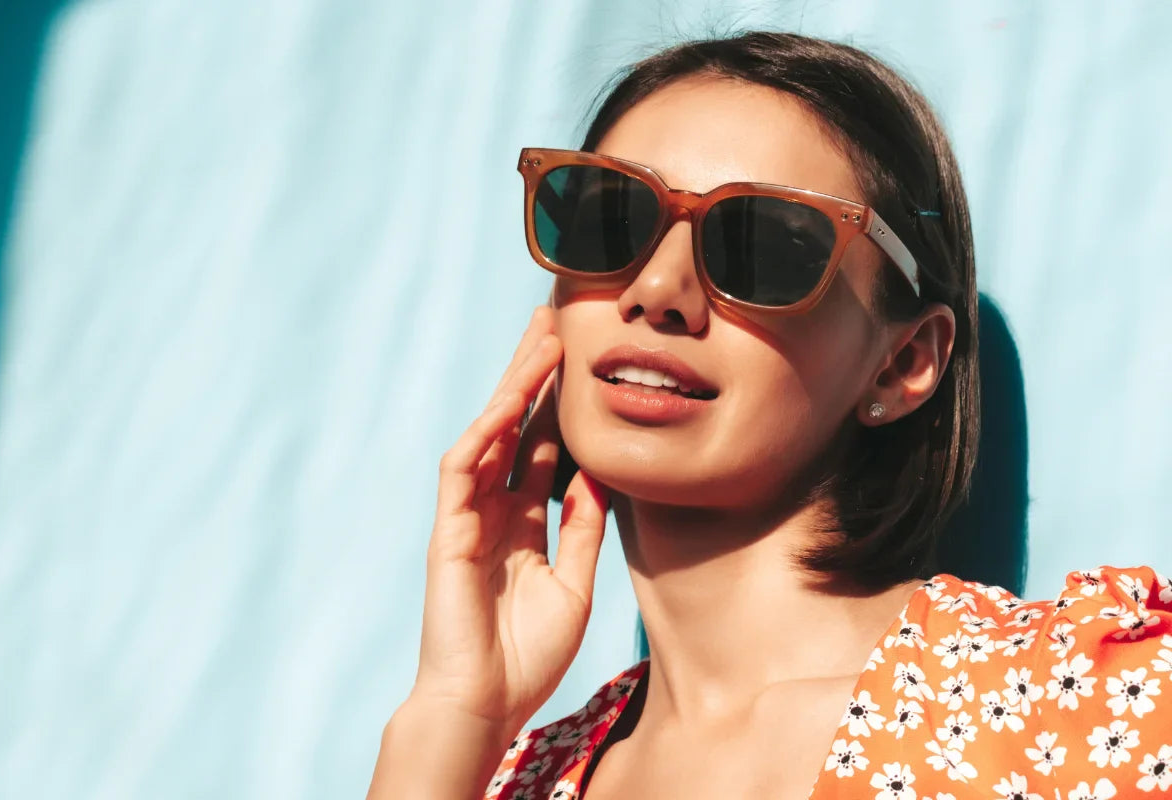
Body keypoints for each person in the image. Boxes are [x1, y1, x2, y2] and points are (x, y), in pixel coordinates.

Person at [365, 30, 1171, 800]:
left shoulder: (1088, 703)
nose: (656, 293)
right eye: (612, 219)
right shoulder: (507, 776)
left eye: (764, 247)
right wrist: (455, 714)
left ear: (903, 360)